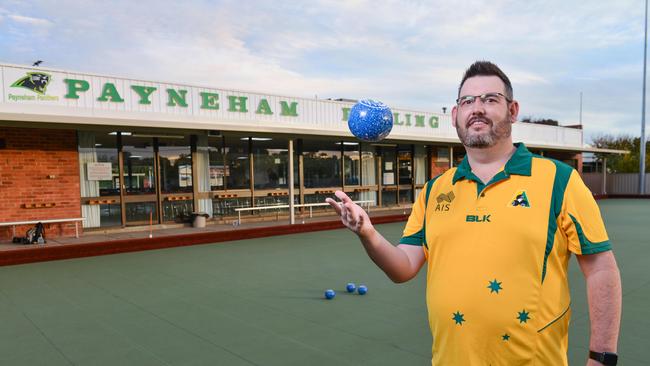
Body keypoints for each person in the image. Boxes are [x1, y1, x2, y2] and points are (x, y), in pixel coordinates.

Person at [326, 61, 621, 366]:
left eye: (490, 99)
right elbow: (403, 267)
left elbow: (601, 268)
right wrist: (368, 234)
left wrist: (601, 358)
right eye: (467, 101)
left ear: (513, 110)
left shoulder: (559, 180)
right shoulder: (434, 190)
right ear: (456, 115)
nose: (477, 108)